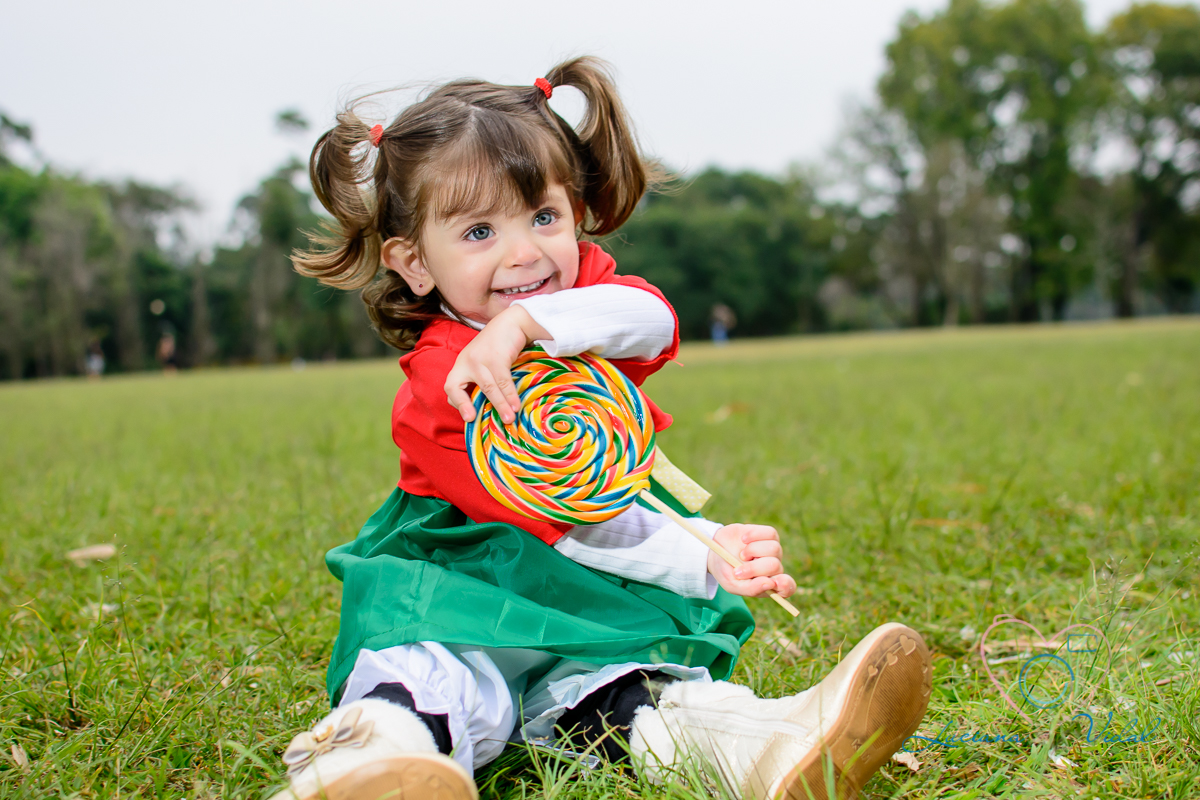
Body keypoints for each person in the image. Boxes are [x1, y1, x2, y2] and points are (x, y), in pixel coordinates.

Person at [273, 57, 931, 800]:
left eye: (544, 218)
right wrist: (699, 554)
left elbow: (651, 319)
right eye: (480, 230)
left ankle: (765, 748)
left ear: (575, 214)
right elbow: (562, 518)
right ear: (414, 263)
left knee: (626, 690)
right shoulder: (444, 383)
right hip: (461, 582)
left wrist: (525, 321)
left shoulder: (572, 295)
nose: (525, 253)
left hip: (581, 599)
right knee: (427, 679)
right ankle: (368, 768)